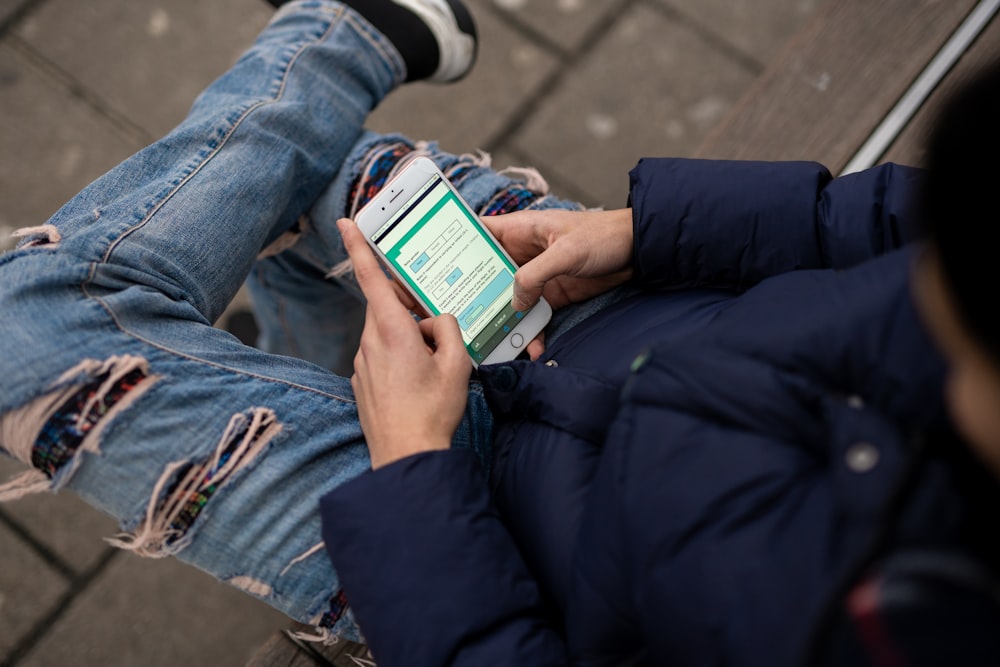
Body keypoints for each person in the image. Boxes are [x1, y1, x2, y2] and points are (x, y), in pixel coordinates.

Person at [0, 1, 993, 665]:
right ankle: (322, 345)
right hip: (604, 304)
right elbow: (871, 220)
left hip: (477, 541)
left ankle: (348, 29)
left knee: (24, 333)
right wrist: (650, 231)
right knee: (338, 187)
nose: (921, 288)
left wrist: (414, 473)